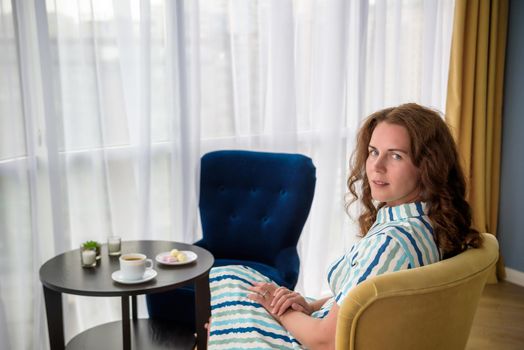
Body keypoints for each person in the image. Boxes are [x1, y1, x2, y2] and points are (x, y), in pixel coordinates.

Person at [206, 103, 482, 349]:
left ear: (428, 166)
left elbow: (326, 340)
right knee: (235, 278)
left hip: (314, 343)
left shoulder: (392, 243)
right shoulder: (427, 223)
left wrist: (279, 311)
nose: (376, 166)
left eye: (396, 155)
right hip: (330, 326)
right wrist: (308, 306)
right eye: (373, 152)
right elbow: (363, 301)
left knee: (225, 287)